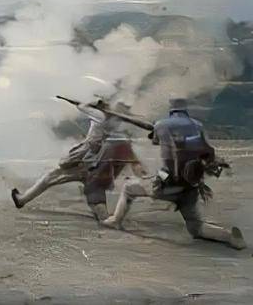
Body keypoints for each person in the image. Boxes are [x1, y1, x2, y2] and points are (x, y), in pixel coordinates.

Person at [102, 99, 247, 250]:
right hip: (190, 186)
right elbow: (207, 151)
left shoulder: (161, 124)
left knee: (128, 187)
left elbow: (156, 141)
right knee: (196, 227)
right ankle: (229, 237)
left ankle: (115, 220)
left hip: (166, 184)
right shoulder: (198, 126)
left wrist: (156, 131)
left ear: (171, 110)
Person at [11, 99, 147, 221]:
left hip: (85, 161)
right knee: (91, 192)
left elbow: (82, 106)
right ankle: (22, 199)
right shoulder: (118, 125)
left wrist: (94, 103)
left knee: (51, 177)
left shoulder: (100, 116)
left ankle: (22, 199)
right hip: (96, 166)